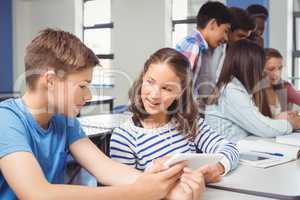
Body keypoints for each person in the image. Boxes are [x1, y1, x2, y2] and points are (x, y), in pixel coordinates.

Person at [0, 28, 195, 200]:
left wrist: (159, 182)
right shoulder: (6, 120)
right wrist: (137, 193)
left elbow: (105, 168)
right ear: (50, 81)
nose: (89, 95)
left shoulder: (65, 121)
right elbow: (37, 194)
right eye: (83, 86)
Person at [109, 48, 239, 185]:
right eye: (150, 82)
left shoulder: (188, 123)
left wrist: (218, 167)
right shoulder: (124, 137)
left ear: (180, 93)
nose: (154, 95)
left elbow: (231, 148)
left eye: (166, 88)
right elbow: (125, 192)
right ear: (142, 79)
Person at [205, 40, 300, 142]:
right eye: (260, 67)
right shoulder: (231, 91)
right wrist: (291, 124)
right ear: (248, 67)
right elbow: (262, 128)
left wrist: (280, 120)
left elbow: (255, 122)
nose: (261, 73)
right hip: (230, 153)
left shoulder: (236, 88)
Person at [176, 1, 231, 102]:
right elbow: (181, 87)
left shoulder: (203, 48)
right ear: (213, 24)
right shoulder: (193, 45)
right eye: (226, 31)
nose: (226, 38)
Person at [211, 7, 256, 85]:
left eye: (247, 37)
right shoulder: (214, 50)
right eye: (240, 36)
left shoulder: (244, 55)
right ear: (228, 31)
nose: (245, 41)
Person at [264, 48, 300, 118]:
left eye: (280, 68)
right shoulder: (254, 91)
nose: (277, 73)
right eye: (271, 69)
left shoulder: (286, 87)